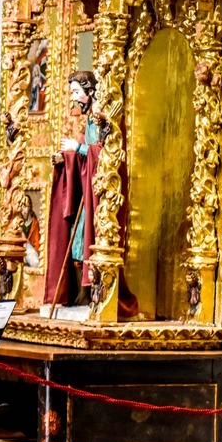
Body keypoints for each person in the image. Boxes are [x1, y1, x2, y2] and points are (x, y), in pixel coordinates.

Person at [44, 71, 138, 317]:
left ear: (91, 91)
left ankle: (94, 294)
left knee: (90, 239)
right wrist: (65, 158)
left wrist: (78, 148)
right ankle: (81, 295)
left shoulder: (101, 116)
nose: (74, 97)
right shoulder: (88, 119)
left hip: (101, 190)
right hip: (88, 185)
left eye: (77, 91)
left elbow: (106, 152)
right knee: (77, 243)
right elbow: (87, 151)